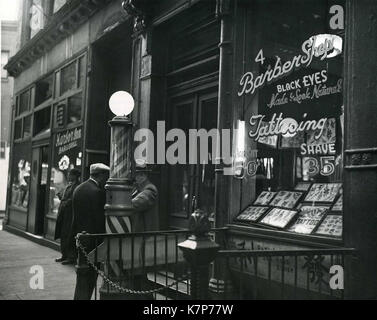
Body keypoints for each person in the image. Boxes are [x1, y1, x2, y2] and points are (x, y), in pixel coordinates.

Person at [72, 163, 110, 300]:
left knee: (82, 276)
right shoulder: (97, 192)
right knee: (90, 276)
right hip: (93, 240)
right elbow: (99, 219)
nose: (107, 179)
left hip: (81, 238)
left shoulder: (79, 188)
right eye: (106, 176)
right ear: (100, 175)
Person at [127, 160, 159, 299]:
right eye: (137, 175)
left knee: (139, 271)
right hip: (137, 237)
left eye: (139, 175)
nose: (137, 178)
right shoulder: (138, 189)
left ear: (144, 175)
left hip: (144, 237)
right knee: (137, 272)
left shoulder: (150, 189)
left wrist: (120, 200)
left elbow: (135, 204)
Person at [54, 168, 81, 265]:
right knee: (63, 234)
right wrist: (60, 197)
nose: (68, 176)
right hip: (64, 214)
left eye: (70, 174)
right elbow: (65, 198)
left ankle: (71, 257)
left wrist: (65, 202)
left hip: (70, 215)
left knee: (69, 235)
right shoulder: (69, 185)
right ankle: (64, 255)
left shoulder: (77, 186)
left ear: (75, 176)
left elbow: (73, 200)